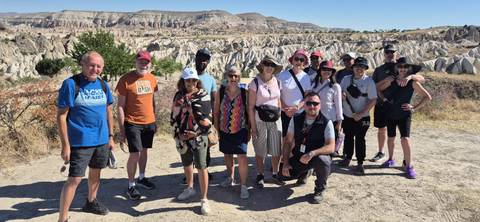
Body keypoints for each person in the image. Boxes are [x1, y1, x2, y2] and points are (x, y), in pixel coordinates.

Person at [57, 51, 114, 222]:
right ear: (83, 64)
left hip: (101, 140)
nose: (94, 69)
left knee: (96, 172)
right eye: (91, 65)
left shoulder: (103, 85)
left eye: (98, 66)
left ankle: (91, 201)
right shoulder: (71, 84)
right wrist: (65, 145)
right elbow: (61, 116)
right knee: (74, 179)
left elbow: (108, 111)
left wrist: (111, 136)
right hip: (80, 141)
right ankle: (63, 218)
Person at [370, 44, 425, 162]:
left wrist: (410, 77)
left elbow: (422, 78)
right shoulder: (379, 70)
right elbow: (374, 87)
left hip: (398, 106)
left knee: (402, 136)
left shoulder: (401, 66)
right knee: (382, 129)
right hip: (382, 103)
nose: (390, 54)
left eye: (392, 52)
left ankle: (405, 160)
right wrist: (385, 81)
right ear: (384, 54)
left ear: (396, 53)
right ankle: (381, 152)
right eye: (387, 52)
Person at [379, 57, 432, 179]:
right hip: (390, 113)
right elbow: (378, 89)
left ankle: (408, 166)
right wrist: (384, 99)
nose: (402, 69)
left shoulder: (412, 82)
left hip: (404, 115)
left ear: (409, 69)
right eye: (400, 67)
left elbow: (427, 97)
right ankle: (391, 159)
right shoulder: (391, 80)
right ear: (396, 68)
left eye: (405, 67)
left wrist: (413, 107)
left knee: (405, 139)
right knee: (391, 138)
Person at [116, 51, 158, 200]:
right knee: (135, 154)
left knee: (144, 151)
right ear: (135, 62)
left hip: (149, 122)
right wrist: (122, 129)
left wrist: (155, 119)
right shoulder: (126, 80)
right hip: (133, 123)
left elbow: (152, 101)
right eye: (141, 61)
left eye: (146, 61)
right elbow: (120, 106)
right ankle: (131, 185)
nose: (144, 64)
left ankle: (141, 177)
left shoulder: (152, 79)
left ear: (150, 63)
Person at [170, 67, 212, 215]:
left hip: (199, 136)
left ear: (197, 81)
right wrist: (178, 134)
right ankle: (189, 188)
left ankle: (204, 199)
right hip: (182, 136)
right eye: (188, 80)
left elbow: (208, 118)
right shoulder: (178, 96)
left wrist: (196, 133)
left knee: (201, 166)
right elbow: (173, 116)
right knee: (187, 163)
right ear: (183, 81)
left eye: (194, 80)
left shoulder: (203, 95)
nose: (191, 82)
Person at [280, 92, 335, 204]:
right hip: (299, 157)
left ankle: (320, 189)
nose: (312, 106)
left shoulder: (326, 122)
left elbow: (331, 146)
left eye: (315, 103)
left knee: (323, 160)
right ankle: (305, 172)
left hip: (316, 157)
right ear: (304, 105)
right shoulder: (295, 119)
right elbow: (288, 142)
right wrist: (285, 163)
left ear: (320, 105)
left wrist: (312, 153)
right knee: (282, 175)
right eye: (308, 103)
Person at [214, 67, 250, 198]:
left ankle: (244, 185)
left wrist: (250, 130)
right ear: (227, 77)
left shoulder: (245, 93)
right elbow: (216, 111)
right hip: (224, 129)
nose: (234, 78)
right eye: (231, 76)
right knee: (227, 154)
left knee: (242, 156)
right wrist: (216, 129)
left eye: (236, 76)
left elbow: (249, 112)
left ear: (240, 77)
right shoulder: (221, 91)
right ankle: (230, 178)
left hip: (241, 129)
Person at [248, 55, 284, 188]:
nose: (269, 67)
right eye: (267, 64)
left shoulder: (278, 82)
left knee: (276, 149)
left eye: (272, 65)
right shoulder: (255, 83)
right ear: (262, 66)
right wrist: (253, 127)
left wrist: (280, 112)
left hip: (275, 120)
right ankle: (260, 174)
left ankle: (275, 174)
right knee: (260, 149)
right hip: (259, 120)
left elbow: (278, 99)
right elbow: (250, 107)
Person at [338, 57, 377, 175]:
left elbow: (373, 99)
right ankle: (347, 158)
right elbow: (339, 92)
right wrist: (342, 96)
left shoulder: (369, 81)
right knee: (348, 137)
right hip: (348, 114)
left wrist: (361, 114)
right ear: (353, 68)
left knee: (360, 139)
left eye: (362, 67)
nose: (359, 69)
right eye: (356, 66)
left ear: (365, 69)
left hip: (363, 117)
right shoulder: (345, 79)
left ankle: (360, 163)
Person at [193, 48, 217, 181]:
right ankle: (190, 173)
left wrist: (213, 119)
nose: (202, 62)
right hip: (190, 117)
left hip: (206, 118)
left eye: (205, 60)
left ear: (208, 62)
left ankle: (204, 170)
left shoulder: (211, 79)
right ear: (195, 59)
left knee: (205, 146)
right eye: (200, 58)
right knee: (190, 145)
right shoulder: (190, 76)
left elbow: (214, 99)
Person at [312, 60, 343, 157]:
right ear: (320, 70)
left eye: (329, 70)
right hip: (316, 118)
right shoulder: (314, 85)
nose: (326, 72)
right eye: (324, 69)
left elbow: (338, 105)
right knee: (316, 142)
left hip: (330, 119)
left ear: (332, 72)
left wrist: (339, 122)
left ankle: (326, 166)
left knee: (329, 143)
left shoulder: (335, 86)